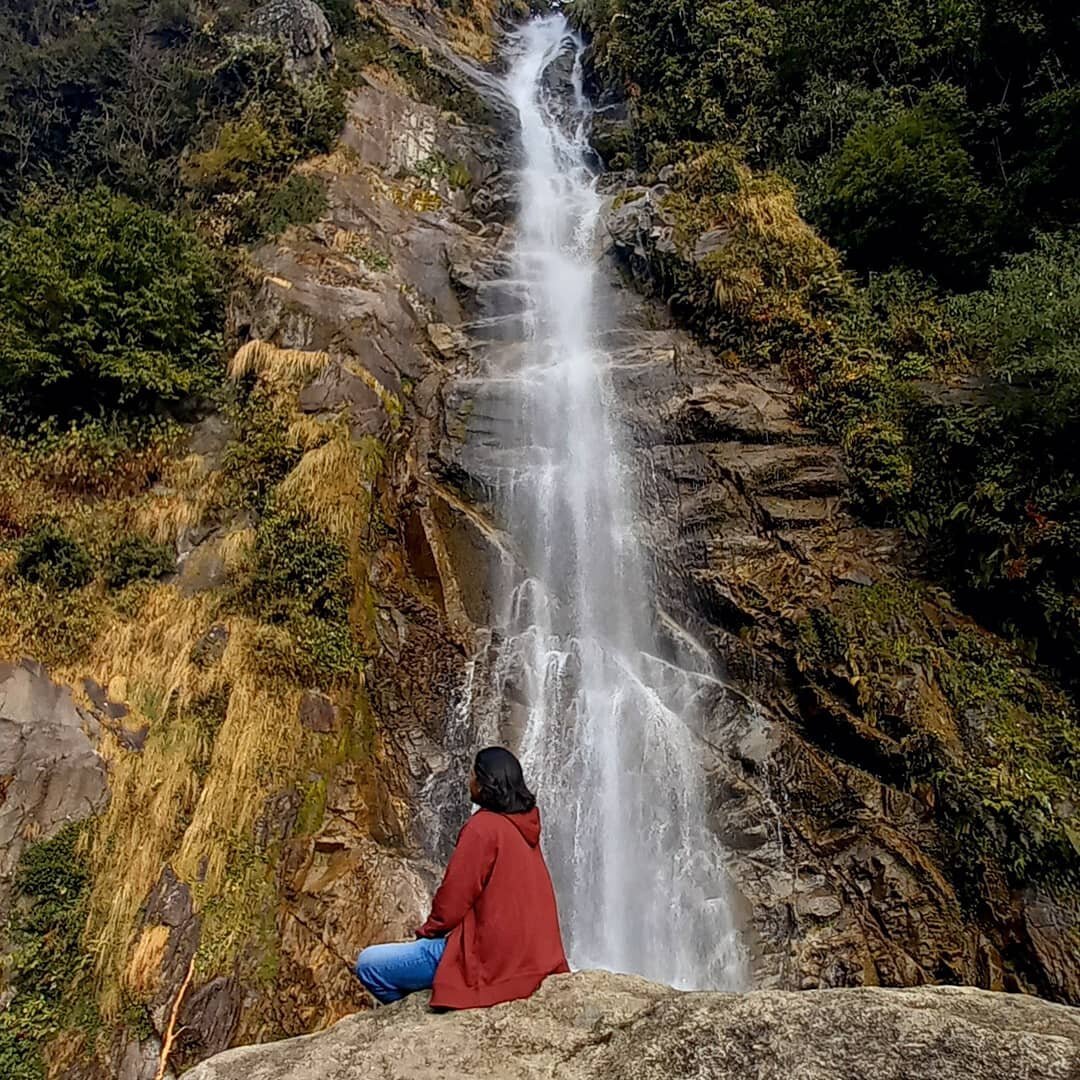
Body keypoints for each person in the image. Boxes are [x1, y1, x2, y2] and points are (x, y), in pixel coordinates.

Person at [354, 746, 569, 1009]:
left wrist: (429, 931)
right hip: (535, 960)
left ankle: (417, 1019)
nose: (469, 780)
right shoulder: (525, 825)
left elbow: (454, 897)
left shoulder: (484, 827)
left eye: (473, 774)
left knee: (369, 964)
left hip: (491, 961)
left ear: (485, 783)